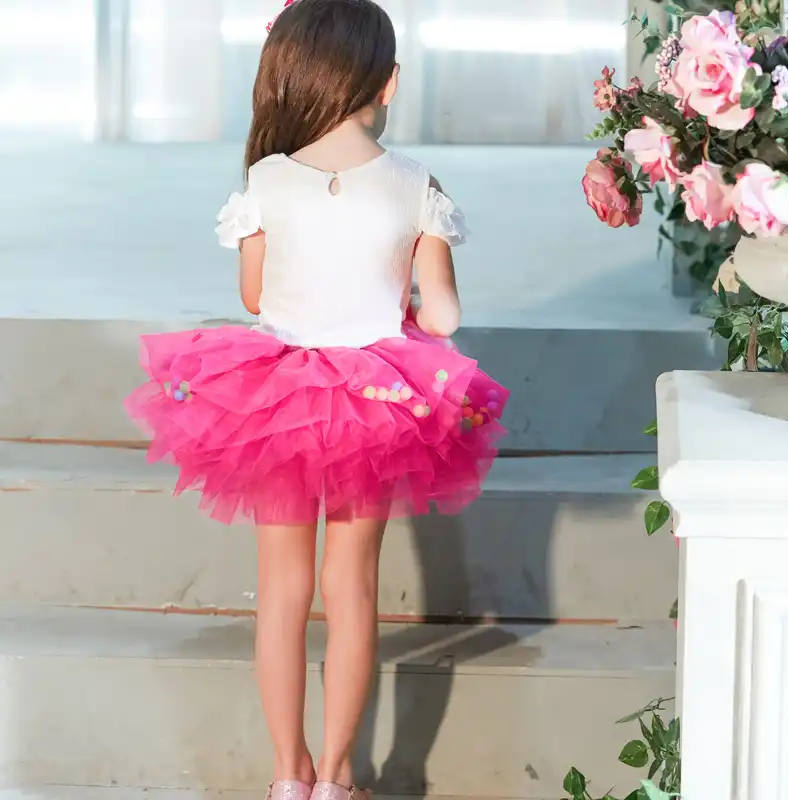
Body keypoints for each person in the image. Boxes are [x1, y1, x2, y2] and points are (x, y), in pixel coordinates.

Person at [124, 1, 508, 799]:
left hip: (278, 399)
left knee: (282, 591)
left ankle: (288, 775)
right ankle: (338, 777)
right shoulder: (415, 185)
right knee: (352, 587)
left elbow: (256, 295)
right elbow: (444, 317)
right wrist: (400, 307)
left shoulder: (266, 181)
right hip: (377, 399)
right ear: (388, 83)